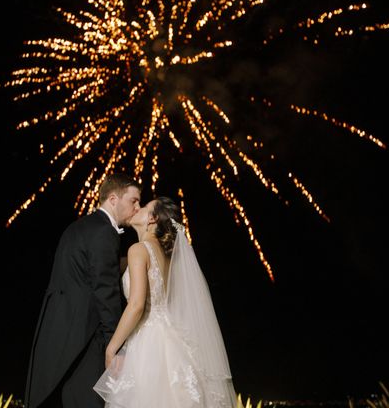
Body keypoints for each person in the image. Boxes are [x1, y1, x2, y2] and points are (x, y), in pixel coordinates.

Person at [93, 197, 238, 407]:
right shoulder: (169, 258)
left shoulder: (138, 250)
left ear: (152, 219)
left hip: (148, 344)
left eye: (143, 207)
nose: (137, 209)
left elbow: (136, 306)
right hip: (173, 340)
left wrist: (111, 349)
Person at [24, 173, 141, 408]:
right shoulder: (104, 232)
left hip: (61, 329)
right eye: (134, 201)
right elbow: (105, 291)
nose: (137, 207)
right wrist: (114, 345)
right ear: (113, 199)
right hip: (85, 335)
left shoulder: (82, 226)